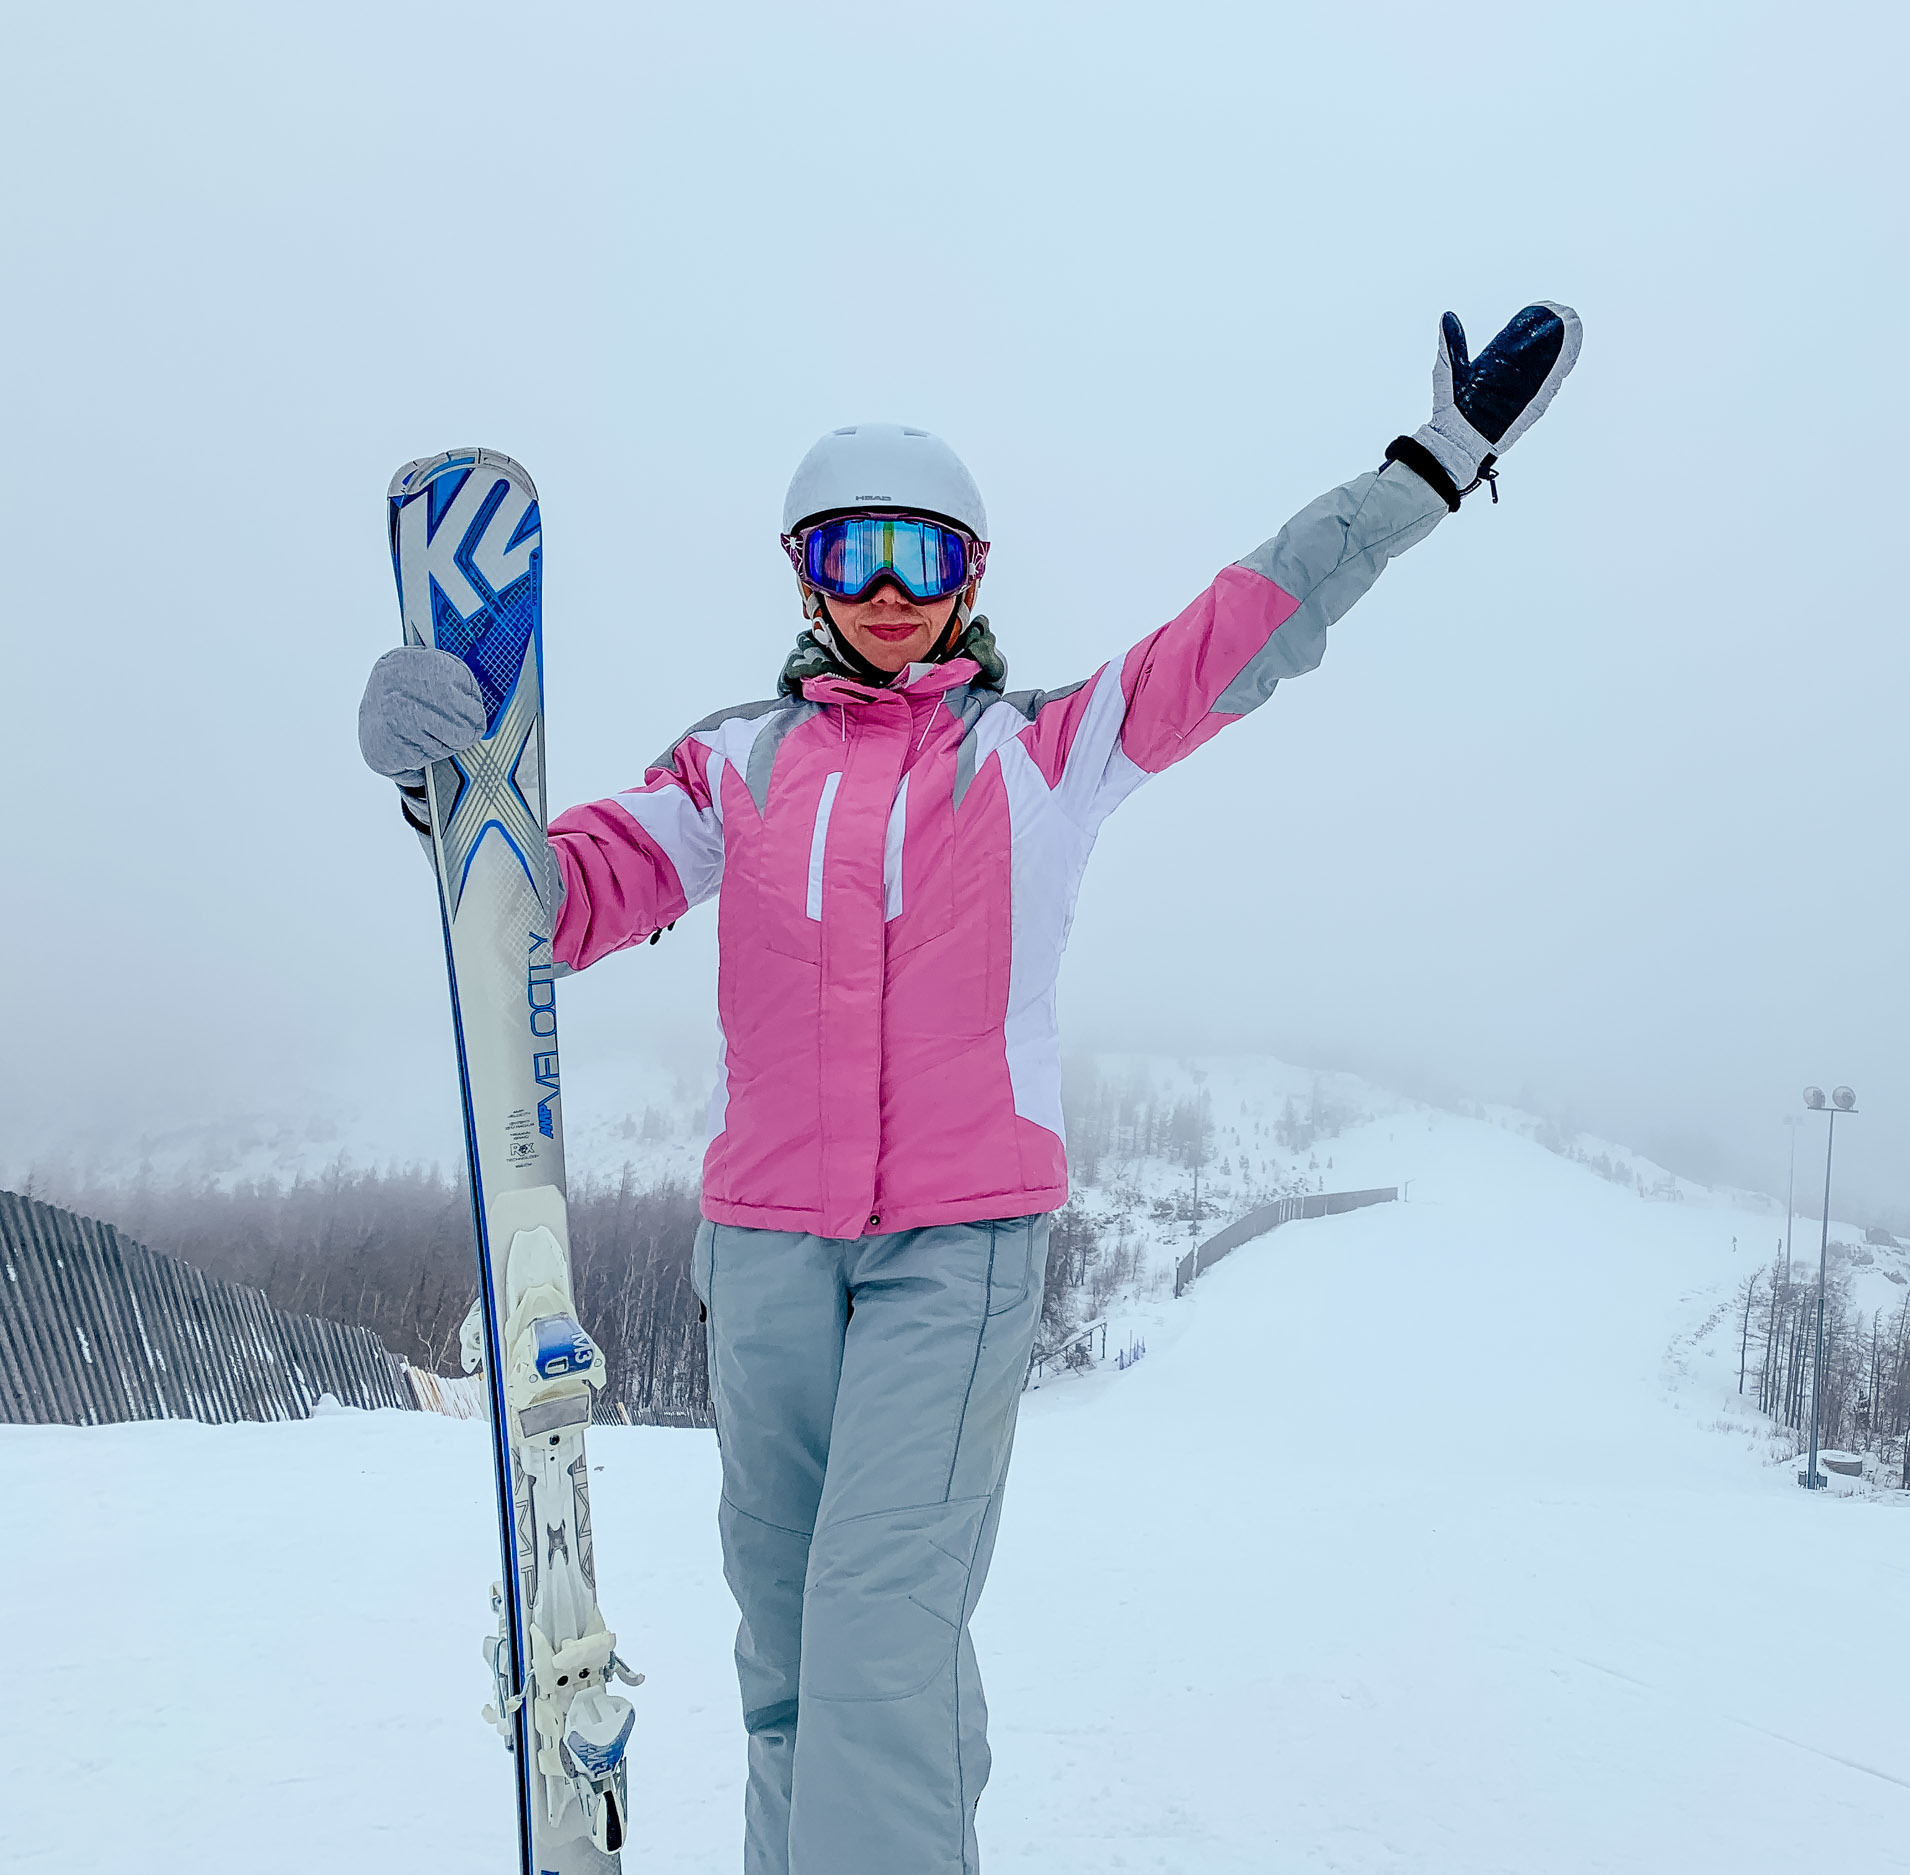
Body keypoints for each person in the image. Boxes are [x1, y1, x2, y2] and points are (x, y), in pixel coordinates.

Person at [358, 302, 1580, 1875]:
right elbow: (569, 892)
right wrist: (449, 790)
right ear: (803, 572)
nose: (885, 595)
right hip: (770, 1256)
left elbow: (1248, 626)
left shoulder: (1043, 752)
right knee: (791, 1662)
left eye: (922, 562)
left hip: (958, 1253)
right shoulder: (731, 768)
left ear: (971, 585)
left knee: (882, 1638)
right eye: (854, 555)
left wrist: (1421, 472)